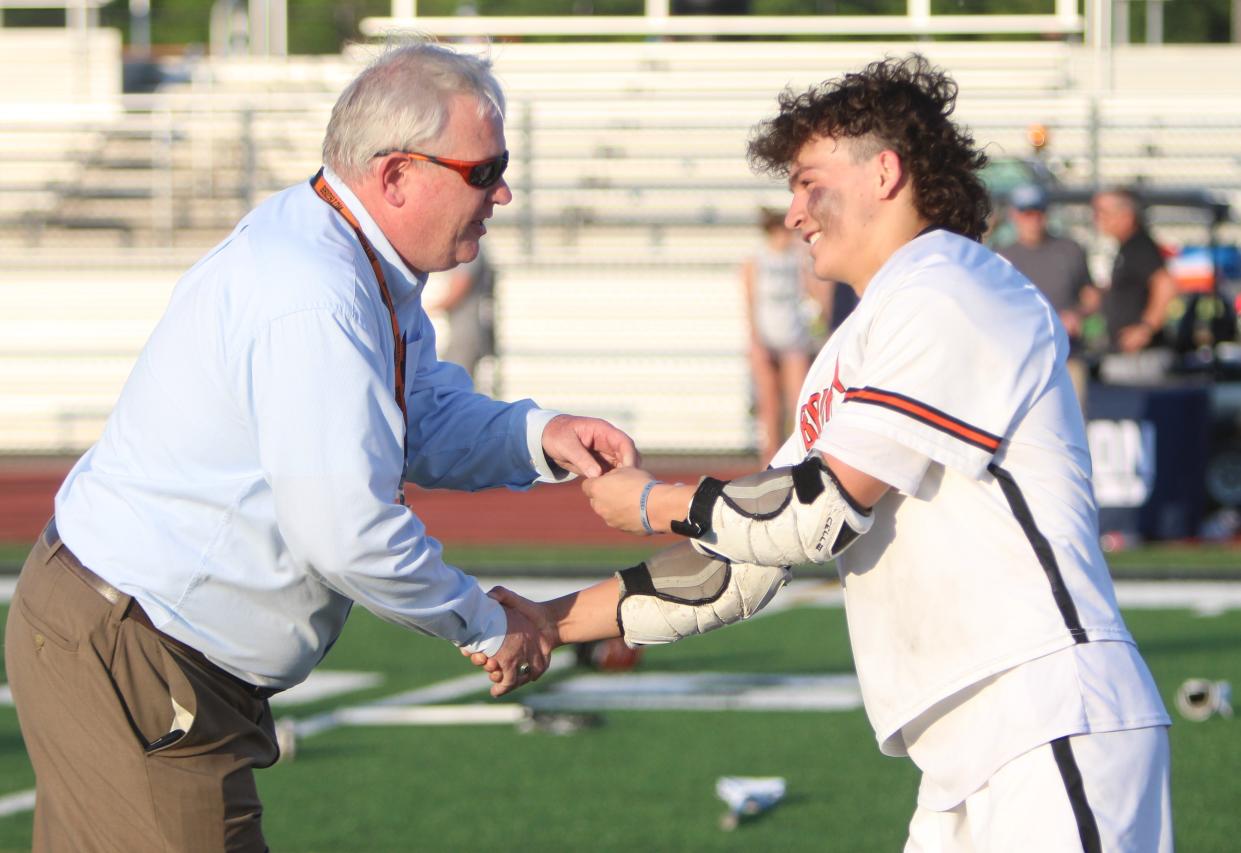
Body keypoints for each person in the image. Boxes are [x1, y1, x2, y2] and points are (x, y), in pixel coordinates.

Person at [479, 55, 1173, 851]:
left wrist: (651, 501)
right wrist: (548, 621)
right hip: (971, 747)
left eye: (809, 182)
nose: (795, 211)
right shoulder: (867, 332)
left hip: (1048, 717)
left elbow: (819, 510)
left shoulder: (945, 287)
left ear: (884, 173)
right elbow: (737, 562)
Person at [4, 43, 637, 852]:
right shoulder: (314, 289)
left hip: (139, 637)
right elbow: (345, 530)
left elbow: (412, 415)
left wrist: (533, 436)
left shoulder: (344, 250)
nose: (502, 190)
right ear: (398, 175)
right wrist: (486, 623)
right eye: (484, 169)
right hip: (143, 648)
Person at [998, 182, 1097, 405]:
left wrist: (1077, 314)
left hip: (1067, 358)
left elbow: (1091, 295)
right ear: (1014, 215)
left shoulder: (1069, 250)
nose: (1034, 220)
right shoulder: (1002, 257)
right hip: (1021, 360)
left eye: (1039, 212)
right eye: (1027, 213)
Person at [741, 207, 817, 462]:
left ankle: (797, 460)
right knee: (769, 407)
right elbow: (750, 303)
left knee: (798, 404)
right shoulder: (756, 260)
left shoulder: (797, 259)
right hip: (766, 339)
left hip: (793, 338)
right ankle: (769, 463)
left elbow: (813, 291)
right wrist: (755, 342)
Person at [1092, 186, 1178, 354]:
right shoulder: (1126, 248)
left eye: (1103, 212)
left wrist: (1145, 328)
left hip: (1143, 353)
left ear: (1126, 216)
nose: (1097, 219)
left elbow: (1166, 284)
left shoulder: (1140, 246)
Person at [427, 244, 496, 381]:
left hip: (465, 331)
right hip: (465, 328)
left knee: (454, 384)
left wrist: (430, 309)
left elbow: (459, 288)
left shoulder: (469, 248)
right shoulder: (472, 247)